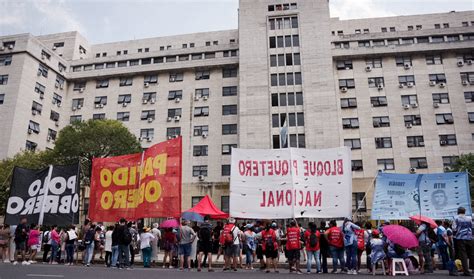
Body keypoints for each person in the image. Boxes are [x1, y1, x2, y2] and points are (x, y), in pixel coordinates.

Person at [452, 206, 473, 276]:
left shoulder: (456, 218)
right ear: (464, 211)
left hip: (460, 238)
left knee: (463, 254)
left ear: (458, 211)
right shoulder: (470, 218)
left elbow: (454, 229)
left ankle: (466, 271)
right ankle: (472, 268)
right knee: (471, 254)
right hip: (469, 237)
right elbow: (472, 226)